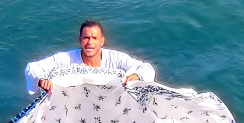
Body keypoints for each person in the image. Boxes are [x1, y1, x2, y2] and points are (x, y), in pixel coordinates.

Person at [24, 20, 156, 95]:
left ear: (102, 41)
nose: (90, 42)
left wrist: (136, 76)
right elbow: (32, 67)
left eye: (94, 38)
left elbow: (147, 68)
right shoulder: (67, 58)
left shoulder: (115, 58)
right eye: (86, 38)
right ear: (80, 40)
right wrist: (41, 80)